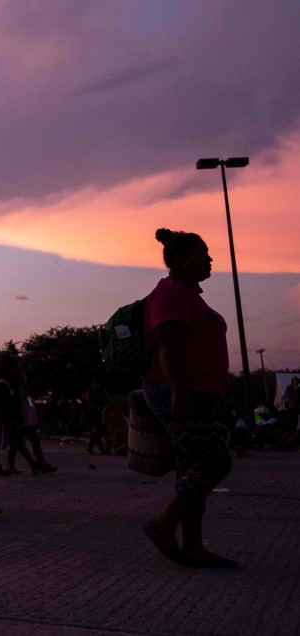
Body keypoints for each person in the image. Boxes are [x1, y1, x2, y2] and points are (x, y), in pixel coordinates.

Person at [141, 228, 238, 568]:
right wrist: (179, 392)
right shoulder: (171, 294)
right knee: (214, 463)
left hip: (200, 391)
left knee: (192, 468)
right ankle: (163, 525)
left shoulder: (188, 294)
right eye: (204, 253)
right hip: (180, 390)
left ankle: (193, 545)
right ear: (181, 260)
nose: (210, 260)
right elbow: (168, 346)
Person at [17, 374, 56, 473]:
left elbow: (31, 410)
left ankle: (41, 462)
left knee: (31, 443)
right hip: (23, 424)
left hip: (29, 424)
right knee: (21, 444)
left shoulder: (28, 397)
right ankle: (40, 462)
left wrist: (35, 421)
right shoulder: (18, 398)